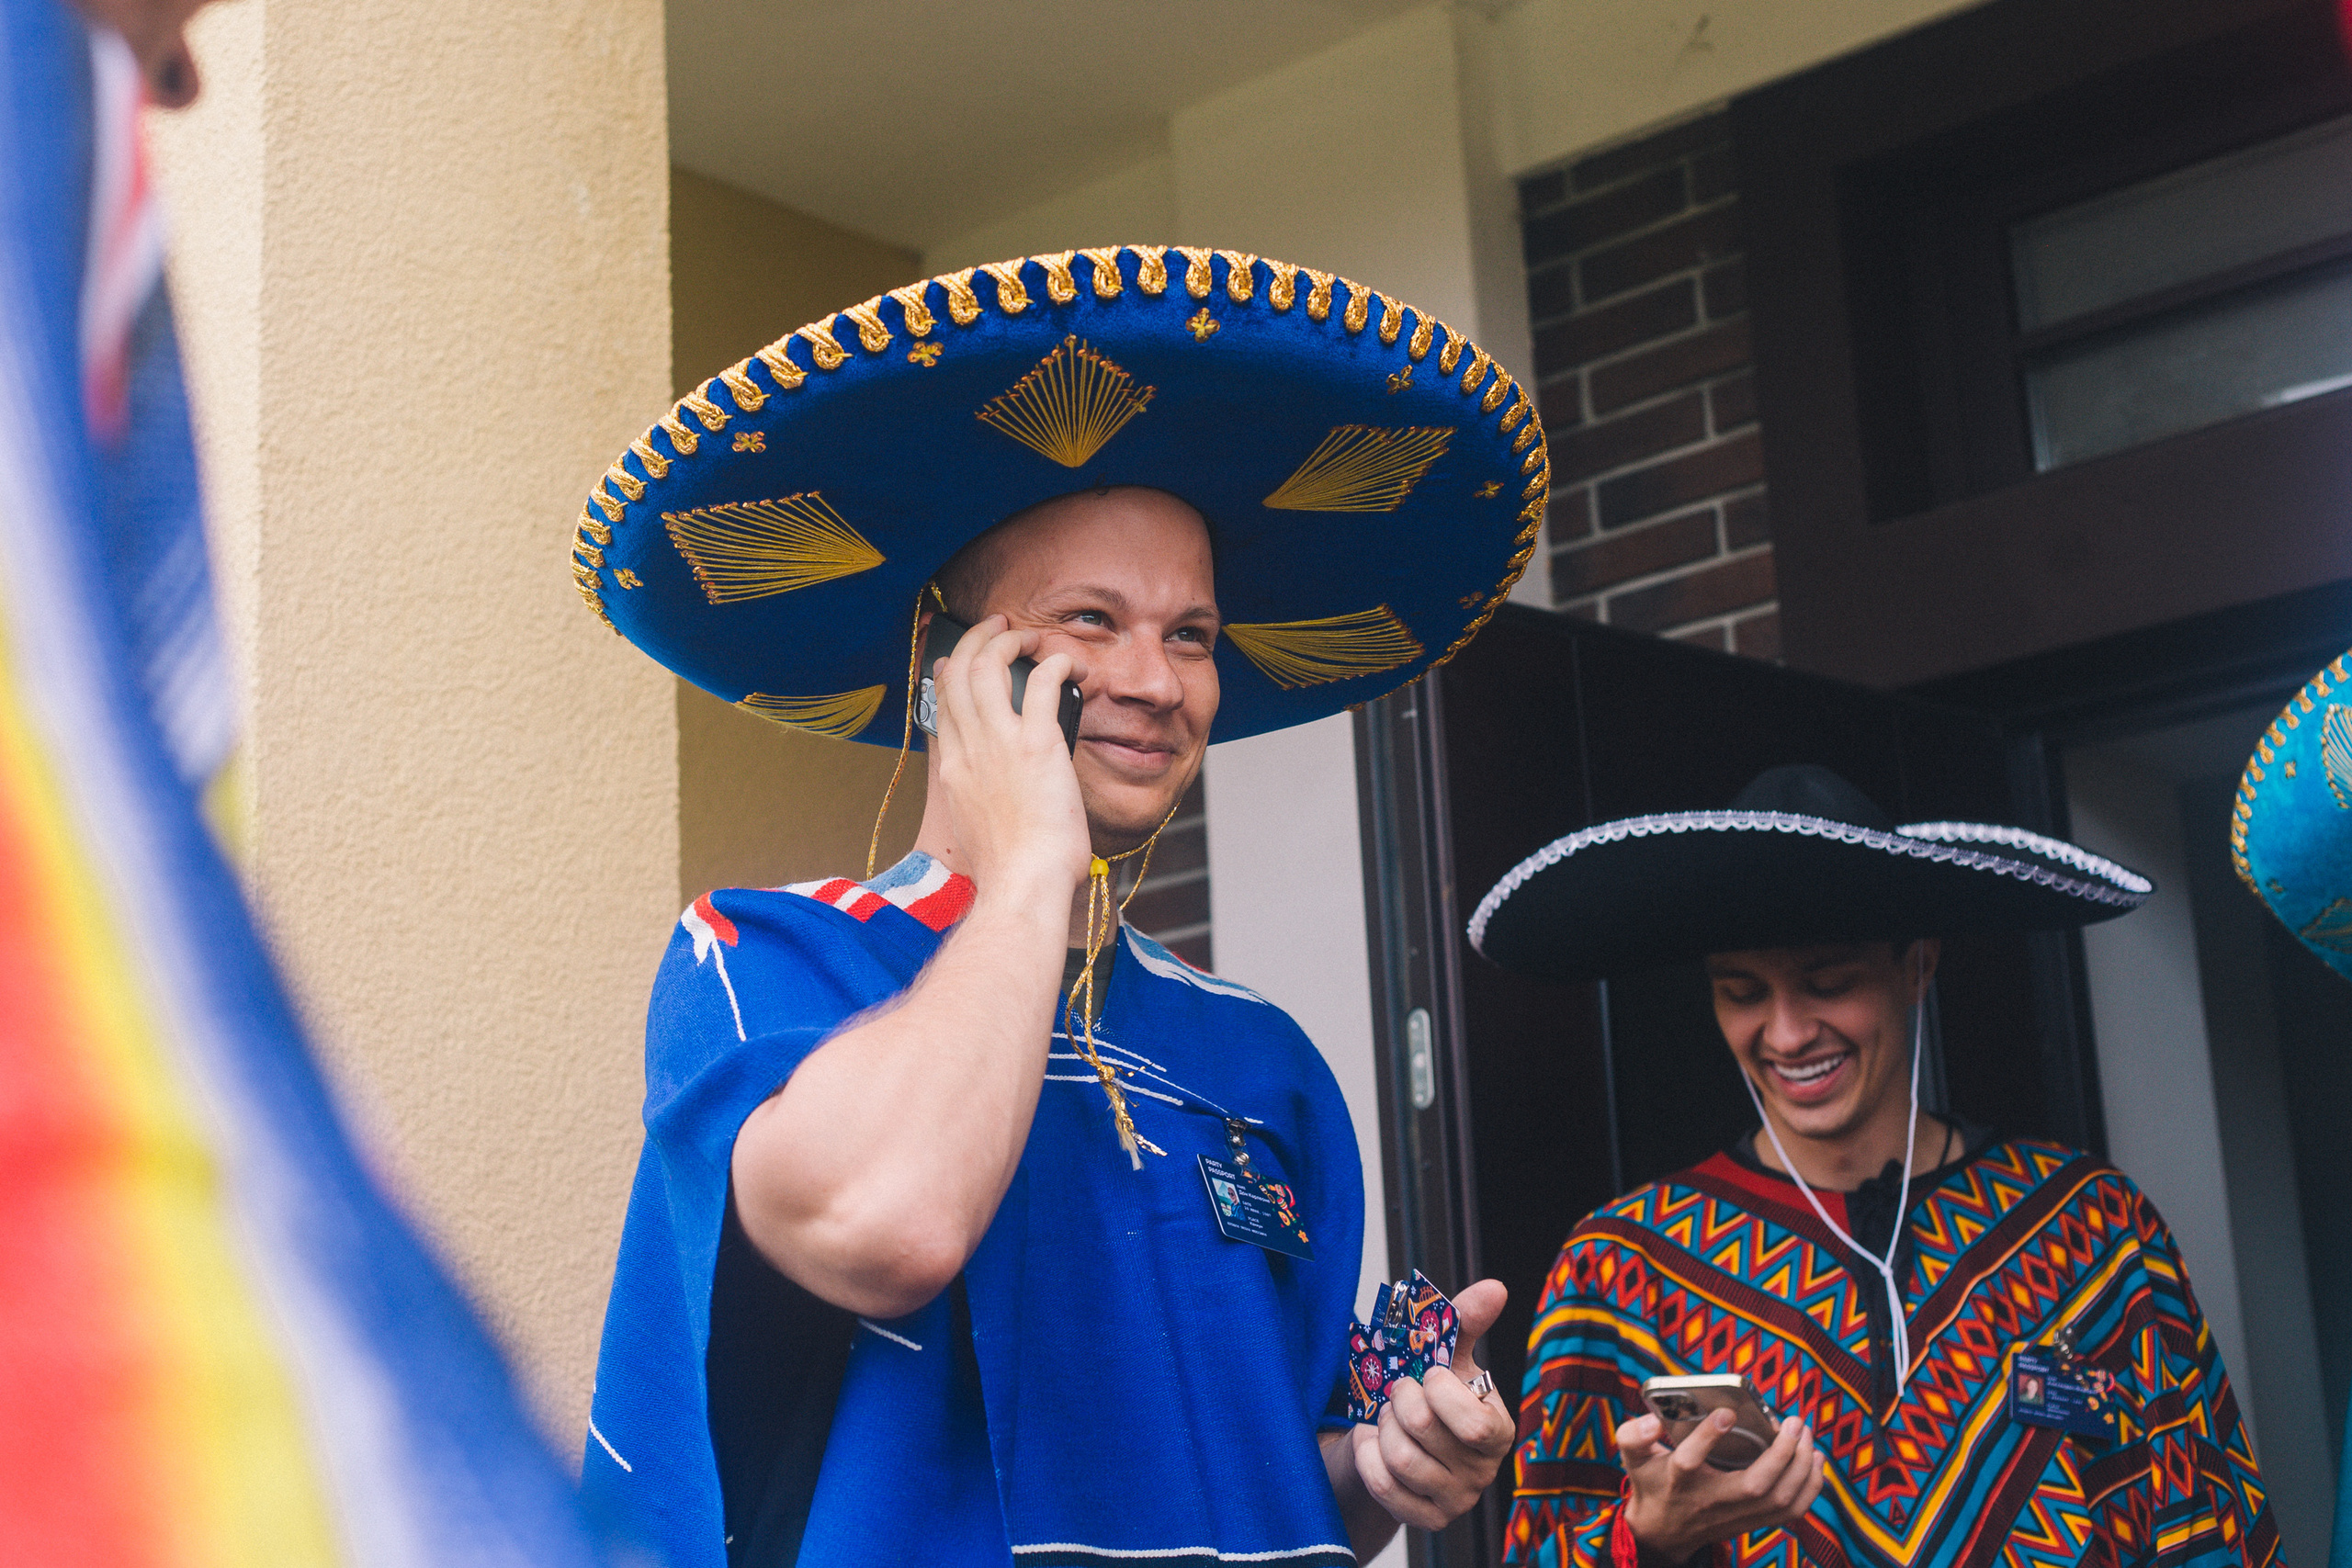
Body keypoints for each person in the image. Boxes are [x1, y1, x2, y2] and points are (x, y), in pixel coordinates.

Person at [576, 245, 1553, 1566]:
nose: (1157, 679)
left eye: (1194, 633)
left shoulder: (1264, 1059)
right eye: (1091, 619)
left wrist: (1384, 1466)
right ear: (945, 666)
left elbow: (1272, 1484)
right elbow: (892, 1223)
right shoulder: (769, 957)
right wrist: (1034, 860)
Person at [1468, 764, 2279, 1568]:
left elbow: (2208, 1521)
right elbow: (1542, 1546)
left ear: (1917, 965)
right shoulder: (1622, 1267)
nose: (1786, 1034)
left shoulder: (2093, 1226)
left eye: (1828, 982)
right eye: (1743, 991)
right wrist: (1643, 1540)